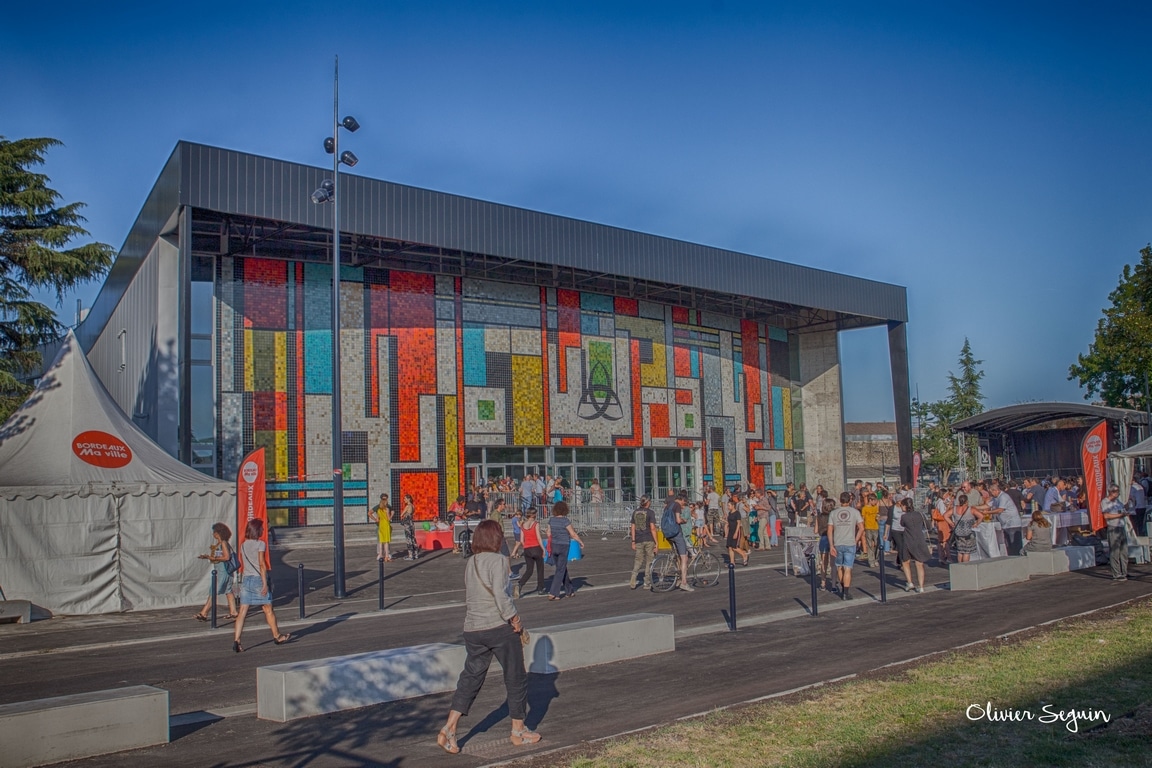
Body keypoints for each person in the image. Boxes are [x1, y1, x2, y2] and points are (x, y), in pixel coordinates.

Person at [437, 519, 539, 754]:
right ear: (496, 538)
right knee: (516, 677)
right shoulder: (500, 561)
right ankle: (518, 731)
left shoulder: (470, 562)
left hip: (472, 628)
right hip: (498, 627)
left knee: (471, 678)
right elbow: (501, 596)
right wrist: (515, 619)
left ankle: (450, 727)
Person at [232, 519, 290, 652]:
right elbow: (262, 564)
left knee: (242, 612)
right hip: (258, 579)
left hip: (246, 579)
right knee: (268, 609)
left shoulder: (243, 545)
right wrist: (265, 583)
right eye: (262, 529)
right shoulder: (261, 544)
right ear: (257, 530)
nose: (264, 530)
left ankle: (237, 640)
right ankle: (277, 636)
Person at [195, 522, 238, 621]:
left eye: (214, 532)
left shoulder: (223, 543)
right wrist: (208, 557)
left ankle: (204, 612)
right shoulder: (220, 543)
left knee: (214, 591)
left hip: (223, 571)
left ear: (218, 533)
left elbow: (226, 557)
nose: (213, 534)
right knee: (228, 590)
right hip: (222, 570)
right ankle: (233, 611)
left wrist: (211, 557)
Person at [827, 492, 864, 600]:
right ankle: (845, 592)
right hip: (850, 542)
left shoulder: (833, 513)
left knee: (839, 566)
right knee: (848, 568)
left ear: (840, 500)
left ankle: (843, 588)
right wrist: (856, 539)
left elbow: (830, 530)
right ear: (850, 500)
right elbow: (861, 528)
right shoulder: (855, 512)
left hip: (838, 542)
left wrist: (831, 545)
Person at [547, 501, 584, 600]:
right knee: (560, 569)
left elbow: (548, 533)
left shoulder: (551, 520)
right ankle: (553, 592)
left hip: (554, 545)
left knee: (561, 568)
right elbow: (573, 534)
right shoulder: (565, 521)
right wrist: (580, 542)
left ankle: (569, 590)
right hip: (563, 545)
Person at [898, 498, 930, 593]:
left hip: (908, 540)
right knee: (919, 563)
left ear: (904, 506)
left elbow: (902, 525)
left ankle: (910, 582)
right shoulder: (920, 514)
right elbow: (928, 526)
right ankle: (921, 587)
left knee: (905, 561)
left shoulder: (904, 517)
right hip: (920, 539)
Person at [628, 495, 658, 590]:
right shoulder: (650, 512)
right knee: (649, 561)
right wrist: (656, 542)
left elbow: (632, 527)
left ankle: (633, 578)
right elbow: (653, 528)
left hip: (638, 539)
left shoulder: (635, 512)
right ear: (648, 502)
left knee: (638, 560)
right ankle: (647, 582)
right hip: (649, 538)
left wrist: (633, 540)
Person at [1101, 484, 1129, 582]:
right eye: (1116, 491)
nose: (1117, 493)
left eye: (1118, 491)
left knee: (1124, 551)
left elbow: (1122, 510)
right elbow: (1106, 516)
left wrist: (1126, 509)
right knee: (1115, 551)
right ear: (1111, 492)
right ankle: (1116, 573)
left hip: (1121, 526)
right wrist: (1120, 515)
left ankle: (1124, 571)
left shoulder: (1118, 502)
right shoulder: (1105, 502)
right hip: (1113, 527)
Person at [951, 493, 982, 563]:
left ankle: (959, 566)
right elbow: (981, 516)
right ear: (967, 501)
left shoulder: (955, 509)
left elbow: (945, 515)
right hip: (968, 533)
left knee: (960, 550)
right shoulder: (971, 509)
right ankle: (965, 566)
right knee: (966, 551)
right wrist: (976, 523)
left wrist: (951, 523)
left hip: (958, 532)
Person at [815, 497, 834, 591]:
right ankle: (834, 584)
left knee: (824, 562)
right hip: (833, 538)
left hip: (823, 538)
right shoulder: (833, 515)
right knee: (833, 562)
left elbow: (815, 530)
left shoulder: (819, 516)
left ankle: (823, 582)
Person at [725, 497, 750, 568]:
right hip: (730, 531)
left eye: (729, 505)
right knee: (729, 547)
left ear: (733, 506)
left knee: (734, 547)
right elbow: (729, 523)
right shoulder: (729, 513)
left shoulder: (737, 513)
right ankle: (732, 562)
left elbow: (738, 523)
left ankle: (744, 555)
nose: (728, 507)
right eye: (728, 505)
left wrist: (736, 533)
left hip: (736, 531)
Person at [369, 493, 393, 562]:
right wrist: (391, 516)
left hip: (380, 525)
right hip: (386, 525)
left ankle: (380, 555)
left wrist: (376, 519)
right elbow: (388, 518)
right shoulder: (387, 509)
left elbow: (377, 517)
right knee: (386, 542)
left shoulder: (379, 509)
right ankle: (386, 556)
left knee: (380, 541)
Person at [860, 493, 880, 567]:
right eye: (874, 501)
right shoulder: (865, 508)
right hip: (868, 527)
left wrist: (878, 517)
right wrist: (863, 529)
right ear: (870, 500)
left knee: (876, 544)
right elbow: (863, 518)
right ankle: (871, 560)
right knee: (869, 544)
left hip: (876, 527)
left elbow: (877, 514)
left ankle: (876, 558)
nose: (875, 502)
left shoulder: (875, 507)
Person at [400, 494, 420, 561]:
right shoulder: (413, 506)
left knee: (408, 539)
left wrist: (404, 515)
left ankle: (410, 555)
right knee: (413, 538)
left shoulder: (408, 506)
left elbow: (401, 514)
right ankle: (416, 554)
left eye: (405, 499)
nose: (404, 500)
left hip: (407, 524)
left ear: (408, 499)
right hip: (411, 523)